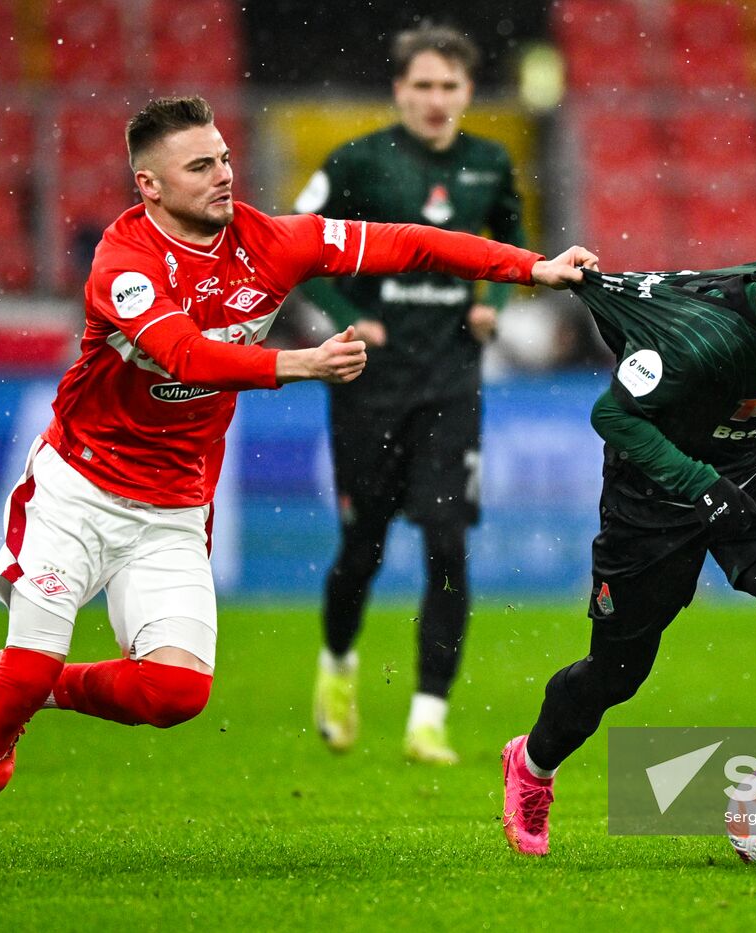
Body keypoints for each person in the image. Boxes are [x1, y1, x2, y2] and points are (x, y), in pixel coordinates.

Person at [0, 95, 596, 869]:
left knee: (177, 695)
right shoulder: (123, 265)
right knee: (26, 662)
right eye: (200, 166)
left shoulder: (271, 242)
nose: (224, 175)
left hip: (172, 508)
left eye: (224, 157)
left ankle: (34, 691)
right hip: (78, 492)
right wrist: (299, 364)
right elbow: (188, 355)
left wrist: (533, 268)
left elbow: (410, 244)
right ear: (149, 186)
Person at [498, 241, 756, 856]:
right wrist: (700, 485)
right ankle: (533, 764)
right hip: (655, 500)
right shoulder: (695, 343)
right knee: (617, 675)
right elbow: (615, 419)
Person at [292, 26, 525, 765]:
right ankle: (337, 662)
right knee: (363, 545)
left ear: (467, 93)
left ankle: (429, 715)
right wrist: (343, 315)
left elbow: (517, 244)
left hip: (451, 381)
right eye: (422, 85)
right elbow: (293, 242)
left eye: (449, 87)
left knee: (448, 545)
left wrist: (498, 305)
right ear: (399, 89)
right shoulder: (360, 160)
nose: (435, 100)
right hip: (369, 382)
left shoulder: (489, 163)